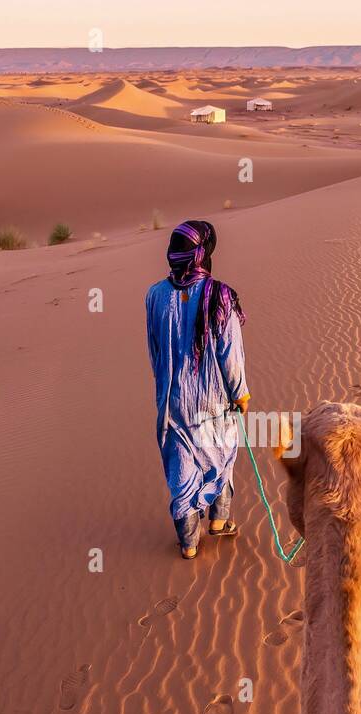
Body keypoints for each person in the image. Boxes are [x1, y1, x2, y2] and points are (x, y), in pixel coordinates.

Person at [145, 220, 250, 560]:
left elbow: (155, 350)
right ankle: (219, 522)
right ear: (204, 253)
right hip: (213, 402)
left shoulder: (155, 296)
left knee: (182, 471)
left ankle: (189, 543)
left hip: (173, 404)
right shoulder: (219, 295)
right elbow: (229, 351)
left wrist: (166, 389)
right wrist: (240, 393)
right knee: (222, 458)